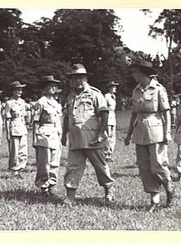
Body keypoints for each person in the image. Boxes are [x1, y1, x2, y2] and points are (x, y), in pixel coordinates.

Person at [124, 60, 174, 213]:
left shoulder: (158, 89)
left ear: (143, 73)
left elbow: (166, 112)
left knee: (157, 165)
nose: (133, 75)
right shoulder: (136, 90)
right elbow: (134, 114)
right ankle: (154, 200)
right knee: (144, 167)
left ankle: (169, 188)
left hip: (156, 130)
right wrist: (128, 134)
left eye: (135, 72)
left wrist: (167, 132)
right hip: (140, 131)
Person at [61, 64, 115, 204]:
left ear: (85, 78)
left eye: (80, 77)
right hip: (75, 139)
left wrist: (101, 133)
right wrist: (63, 134)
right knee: (73, 167)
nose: (77, 81)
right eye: (74, 78)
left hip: (92, 138)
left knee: (100, 166)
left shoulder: (95, 94)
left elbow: (104, 114)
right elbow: (67, 117)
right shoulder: (70, 97)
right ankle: (70, 197)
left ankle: (109, 190)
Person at [33, 76, 62, 196]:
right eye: (50, 85)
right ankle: (43, 186)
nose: (53, 88)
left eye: (54, 86)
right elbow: (35, 120)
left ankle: (51, 185)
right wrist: (35, 138)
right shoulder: (41, 102)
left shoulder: (56, 103)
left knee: (55, 162)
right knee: (44, 162)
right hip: (44, 132)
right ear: (44, 88)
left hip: (55, 132)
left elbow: (59, 119)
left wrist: (61, 134)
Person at [5, 81, 29, 177]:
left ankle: (19, 169)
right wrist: (7, 132)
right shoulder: (9, 103)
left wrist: (27, 125)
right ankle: (14, 170)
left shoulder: (22, 102)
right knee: (14, 151)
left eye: (21, 89)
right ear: (13, 91)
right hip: (14, 128)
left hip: (22, 128)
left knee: (23, 151)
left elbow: (25, 116)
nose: (20, 91)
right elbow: (7, 119)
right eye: (18, 90)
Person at [104, 80, 120, 162]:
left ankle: (110, 154)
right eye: (113, 87)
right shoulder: (106, 96)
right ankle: (106, 154)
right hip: (108, 118)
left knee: (113, 137)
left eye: (115, 87)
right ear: (109, 88)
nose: (115, 88)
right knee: (108, 136)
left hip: (113, 118)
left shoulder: (114, 97)